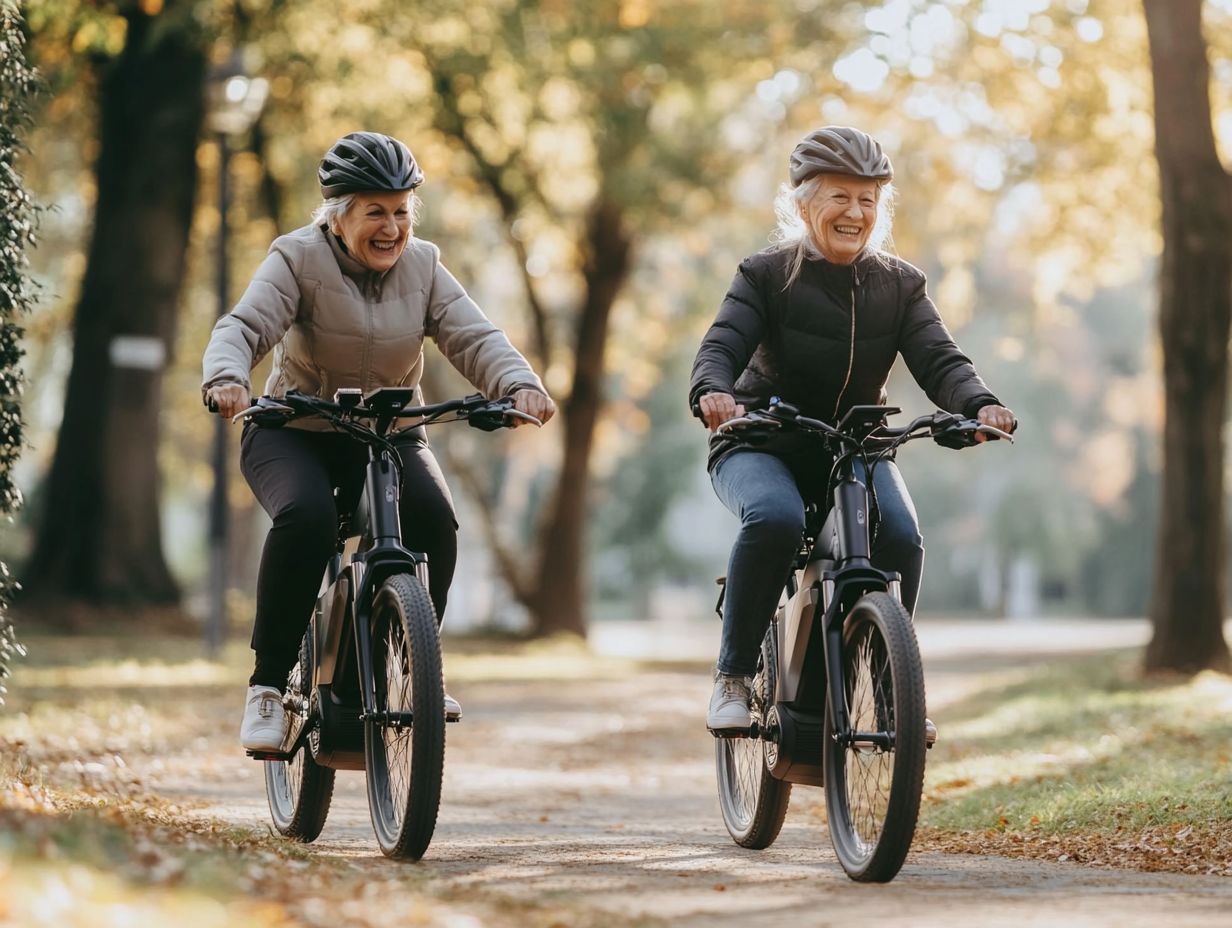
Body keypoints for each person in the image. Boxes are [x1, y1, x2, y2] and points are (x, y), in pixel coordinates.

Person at [202, 131, 555, 752]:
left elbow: (474, 335)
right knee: (307, 519)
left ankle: (408, 671)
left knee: (435, 520)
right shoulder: (296, 258)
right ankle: (265, 688)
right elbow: (246, 324)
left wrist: (519, 383)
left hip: (389, 435)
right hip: (294, 430)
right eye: (376, 212)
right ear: (339, 217)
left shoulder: (424, 266)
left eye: (401, 211)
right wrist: (228, 377)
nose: (392, 227)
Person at [689, 125, 1015, 737]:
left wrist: (979, 404)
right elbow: (722, 344)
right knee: (776, 519)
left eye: (868, 200)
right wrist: (714, 391)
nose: (855, 212)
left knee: (903, 536)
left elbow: (941, 360)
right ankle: (732, 677)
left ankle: (895, 692)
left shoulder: (900, 284)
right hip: (760, 439)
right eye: (840, 196)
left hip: (853, 447)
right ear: (805, 202)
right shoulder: (765, 275)